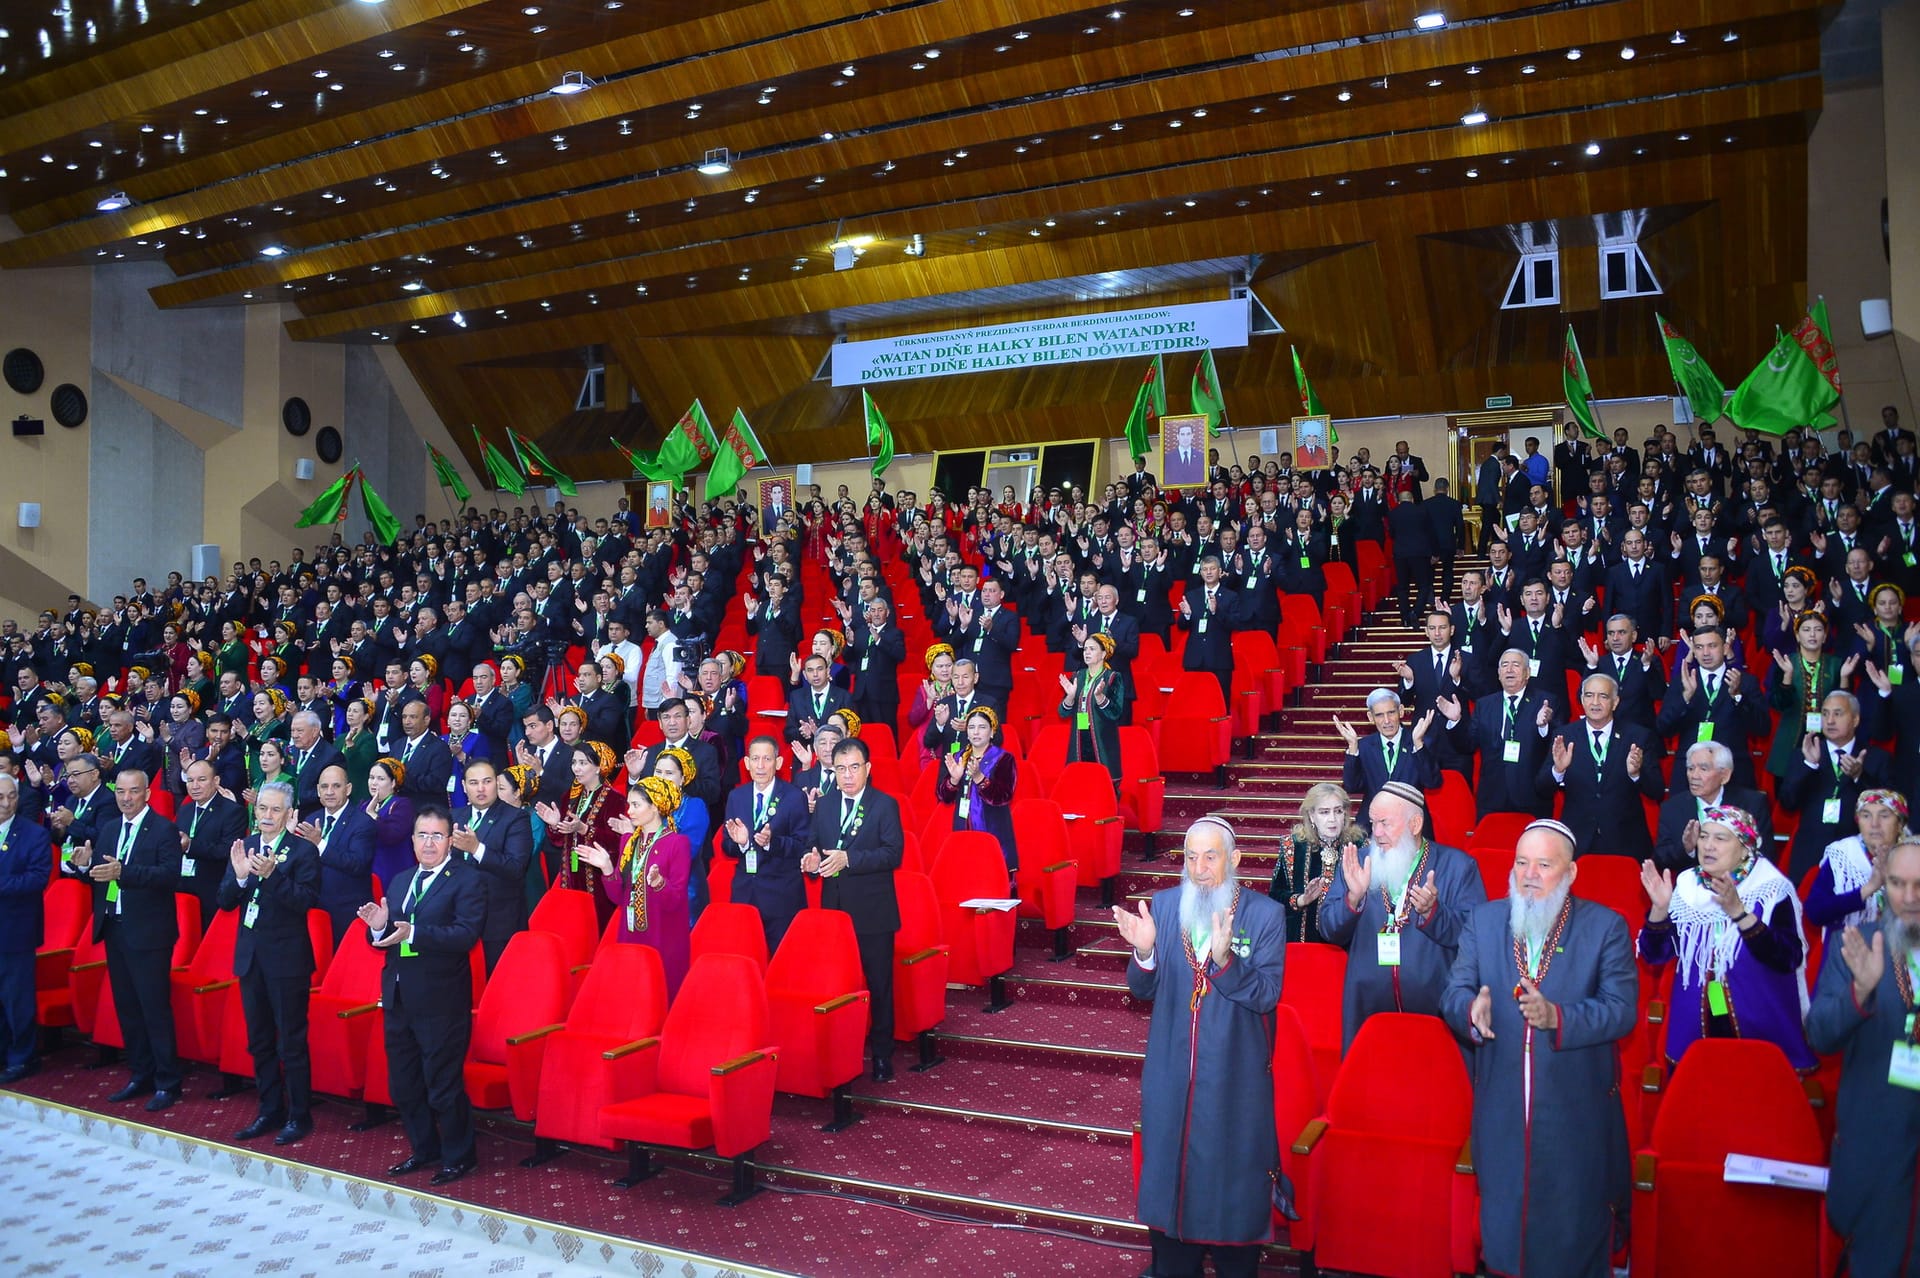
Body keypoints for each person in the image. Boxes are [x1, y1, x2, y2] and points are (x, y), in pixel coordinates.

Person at [1442, 821, 1636, 1278]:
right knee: (1506, 1233)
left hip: (1574, 1114)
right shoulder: (1485, 920)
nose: (1529, 874)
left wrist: (1558, 1018)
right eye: (1521, 862)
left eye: (1544, 865)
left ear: (1570, 874)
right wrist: (1470, 1010)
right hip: (1501, 1110)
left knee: (1571, 1238)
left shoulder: (1605, 927)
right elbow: (1452, 993)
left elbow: (1621, 1010)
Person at [1113, 815, 1287, 1278]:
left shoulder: (1264, 914)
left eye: (1211, 856)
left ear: (1235, 860)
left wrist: (1227, 962)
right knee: (1171, 1204)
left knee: (1231, 1196)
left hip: (1233, 1080)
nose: (1200, 867)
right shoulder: (1166, 907)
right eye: (1191, 856)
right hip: (1172, 1074)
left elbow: (1267, 995)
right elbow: (1142, 990)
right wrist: (1145, 953)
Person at [1806, 839, 1920, 1277]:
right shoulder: (1853, 945)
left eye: (1918, 885)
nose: (1909, 898)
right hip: (1875, 1144)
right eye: (1896, 883)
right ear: (1882, 886)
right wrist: (1859, 993)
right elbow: (1819, 1035)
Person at [358, 806, 484, 1185]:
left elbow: (465, 935)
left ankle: (460, 1156)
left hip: (441, 999)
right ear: (411, 840)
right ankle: (424, 1147)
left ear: (449, 841)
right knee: (404, 1083)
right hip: (398, 995)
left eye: (436, 836)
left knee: (442, 1083)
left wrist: (413, 932)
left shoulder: (467, 880)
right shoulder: (399, 881)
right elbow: (385, 935)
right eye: (422, 836)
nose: (428, 843)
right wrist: (378, 930)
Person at [1637, 806, 1815, 1072]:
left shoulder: (1770, 889)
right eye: (1704, 836)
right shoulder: (1687, 884)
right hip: (1697, 1025)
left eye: (1720, 839)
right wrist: (1659, 910)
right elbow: (1655, 955)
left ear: (1745, 848)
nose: (1708, 846)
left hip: (1759, 1023)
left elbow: (1789, 957)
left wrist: (1741, 914)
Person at [1317, 782, 1486, 1050]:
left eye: (1385, 823)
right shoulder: (1358, 863)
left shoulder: (1457, 866)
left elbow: (1477, 936)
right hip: (1369, 1008)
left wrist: (1434, 914)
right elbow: (1327, 928)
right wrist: (1353, 899)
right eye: (1373, 823)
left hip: (1434, 1009)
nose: (1377, 834)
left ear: (1415, 824)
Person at [63, 769, 183, 1110]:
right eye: (121, 792)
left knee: (154, 1009)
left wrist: (124, 872)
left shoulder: (163, 829)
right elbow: (102, 878)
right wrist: (86, 868)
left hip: (149, 933)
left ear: (146, 793)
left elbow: (169, 876)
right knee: (128, 1008)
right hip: (115, 928)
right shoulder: (111, 828)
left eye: (133, 792)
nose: (126, 798)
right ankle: (140, 1073)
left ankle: (168, 1082)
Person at [217, 780, 319, 1146]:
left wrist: (272, 875)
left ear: (290, 814)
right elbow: (225, 901)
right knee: (259, 1041)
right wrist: (242, 875)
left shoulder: (303, 852)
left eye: (276, 810)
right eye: (263, 809)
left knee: (291, 1042)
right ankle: (269, 1109)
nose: (268, 817)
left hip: (287, 961)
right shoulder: (244, 846)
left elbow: (305, 901)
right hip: (250, 958)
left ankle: (299, 1115)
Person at [803, 738, 904, 1081]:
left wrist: (850, 859)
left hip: (873, 912)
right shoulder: (827, 805)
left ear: (868, 769)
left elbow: (893, 854)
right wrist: (812, 859)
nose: (847, 776)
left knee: (879, 984)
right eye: (840, 768)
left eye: (854, 767)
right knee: (836, 986)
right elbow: (814, 843)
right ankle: (842, 1052)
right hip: (834, 912)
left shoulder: (884, 805)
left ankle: (882, 1054)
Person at [578, 776, 692, 996]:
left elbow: (675, 900)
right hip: (630, 932)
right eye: (629, 804)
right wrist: (607, 869)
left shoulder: (677, 843)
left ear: (656, 806)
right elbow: (619, 898)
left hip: (664, 935)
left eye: (636, 805)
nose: (630, 810)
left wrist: (659, 884)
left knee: (660, 994)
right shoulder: (629, 841)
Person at [1540, 673, 1664, 861]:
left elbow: (1656, 791)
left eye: (1603, 696)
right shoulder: (1564, 736)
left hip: (1625, 841)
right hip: (1577, 840)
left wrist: (1637, 773)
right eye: (1589, 695)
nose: (1595, 702)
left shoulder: (1638, 737)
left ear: (1615, 702)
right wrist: (1558, 771)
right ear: (1582, 700)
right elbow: (1541, 788)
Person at [720, 735, 812, 953]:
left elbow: (802, 845)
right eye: (755, 759)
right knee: (745, 959)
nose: (760, 766)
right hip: (745, 893)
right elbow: (726, 845)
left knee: (781, 963)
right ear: (746, 763)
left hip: (781, 895)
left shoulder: (794, 797)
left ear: (778, 763)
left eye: (767, 759)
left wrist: (772, 843)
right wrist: (741, 844)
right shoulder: (736, 796)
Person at [450, 758, 534, 972]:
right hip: (459, 918)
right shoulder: (454, 817)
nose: (480, 788)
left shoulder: (516, 818)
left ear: (496, 783)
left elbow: (516, 867)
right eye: (473, 782)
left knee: (498, 986)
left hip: (498, 921)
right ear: (464, 786)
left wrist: (477, 849)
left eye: (486, 782)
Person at [1651, 741, 1774, 875]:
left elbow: (1765, 855)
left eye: (1703, 769)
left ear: (1724, 775)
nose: (1694, 776)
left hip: (1739, 886)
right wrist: (1687, 849)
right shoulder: (1672, 807)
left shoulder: (1752, 804)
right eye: (1691, 768)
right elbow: (1660, 858)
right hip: (1692, 889)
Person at [1804, 788, 1909, 945]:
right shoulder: (1843, 855)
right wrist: (1867, 889)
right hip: (1848, 953)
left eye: (1884, 815)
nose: (1874, 824)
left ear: (1900, 823)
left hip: (1905, 954)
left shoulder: (1913, 856)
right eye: (1866, 816)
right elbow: (1815, 912)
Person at [0, 773, 52, 1082]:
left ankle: (24, 1057)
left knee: (17, 998)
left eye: (11, 797)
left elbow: (37, 878)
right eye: (0, 797)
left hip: (15, 931)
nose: (6, 803)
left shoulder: (33, 834)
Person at [289, 763, 376, 943]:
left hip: (346, 912)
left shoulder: (363, 823)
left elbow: (357, 864)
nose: (329, 792)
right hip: (312, 908)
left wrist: (320, 844)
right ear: (318, 791)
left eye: (336, 786)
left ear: (348, 789)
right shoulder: (312, 819)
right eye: (324, 787)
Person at [1273, 782, 1360, 943]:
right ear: (1312, 815)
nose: (1332, 819)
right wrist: (1301, 900)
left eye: (1338, 811)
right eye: (1324, 812)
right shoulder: (1292, 846)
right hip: (1304, 942)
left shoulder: (1360, 846)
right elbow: (1275, 897)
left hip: (1349, 943)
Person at [936, 707, 1017, 869]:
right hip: (962, 829)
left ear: (992, 732)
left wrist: (979, 777)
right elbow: (944, 797)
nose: (976, 732)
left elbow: (1004, 796)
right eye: (972, 727)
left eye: (982, 727)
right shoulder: (959, 757)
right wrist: (954, 779)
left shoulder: (1003, 758)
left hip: (992, 831)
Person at [1336, 688, 1439, 812]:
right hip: (1373, 822)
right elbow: (1351, 787)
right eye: (1379, 715)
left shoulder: (1420, 743)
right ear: (1370, 717)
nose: (1386, 720)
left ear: (1401, 711)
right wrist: (1353, 747)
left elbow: (1432, 783)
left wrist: (1418, 744)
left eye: (1391, 713)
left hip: (1410, 821)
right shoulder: (1363, 746)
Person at [176, 757, 249, 924]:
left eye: (201, 780)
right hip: (181, 887)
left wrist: (190, 846)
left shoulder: (232, 811)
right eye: (190, 780)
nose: (195, 786)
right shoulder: (185, 810)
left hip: (210, 890)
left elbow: (226, 850)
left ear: (216, 781)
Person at [1058, 632, 1126, 789]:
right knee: (1079, 782)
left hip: (1102, 738)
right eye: (1085, 649)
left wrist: (1100, 697)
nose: (1087, 652)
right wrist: (1070, 697)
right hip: (1080, 733)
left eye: (1092, 649)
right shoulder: (1078, 676)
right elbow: (1063, 712)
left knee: (1103, 784)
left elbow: (1116, 712)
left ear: (1103, 654)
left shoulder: (1112, 677)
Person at [362, 758, 417, 893]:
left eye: (380, 779)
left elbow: (391, 835)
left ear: (393, 783)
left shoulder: (402, 805)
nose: (374, 783)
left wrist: (373, 815)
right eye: (371, 777)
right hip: (368, 871)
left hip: (393, 869)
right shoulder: (363, 805)